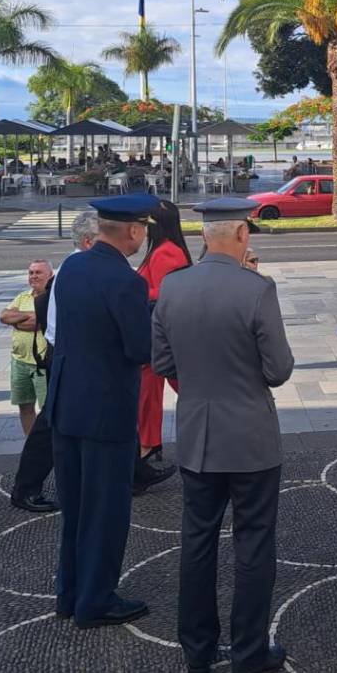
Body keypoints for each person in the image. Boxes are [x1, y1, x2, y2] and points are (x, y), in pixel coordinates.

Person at [152, 201, 295, 673]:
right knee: (254, 544)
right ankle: (248, 654)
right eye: (248, 232)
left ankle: (196, 651)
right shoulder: (256, 289)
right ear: (238, 232)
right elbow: (279, 369)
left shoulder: (173, 286)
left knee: (197, 542)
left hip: (196, 433)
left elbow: (162, 360)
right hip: (250, 436)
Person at [46, 194, 157, 629]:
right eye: (143, 229)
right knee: (106, 509)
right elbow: (139, 348)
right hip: (106, 409)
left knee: (74, 506)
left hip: (66, 402)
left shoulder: (74, 265)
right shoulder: (125, 281)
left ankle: (69, 593)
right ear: (132, 232)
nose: (144, 235)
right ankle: (96, 600)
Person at [12, 212, 100, 515]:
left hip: (68, 353)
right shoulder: (76, 270)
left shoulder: (78, 266)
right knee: (50, 425)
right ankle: (26, 488)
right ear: (89, 242)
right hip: (68, 356)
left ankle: (131, 473)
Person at [134, 197, 192, 492]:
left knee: (164, 391)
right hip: (161, 337)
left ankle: (147, 448)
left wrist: (135, 285)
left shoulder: (165, 252)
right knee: (155, 392)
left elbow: (167, 292)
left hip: (161, 337)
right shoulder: (164, 249)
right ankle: (147, 446)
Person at [2, 260, 52, 436]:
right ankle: (30, 444)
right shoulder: (23, 297)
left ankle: (49, 448)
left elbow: (39, 322)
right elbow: (4, 316)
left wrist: (18, 320)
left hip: (42, 364)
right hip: (19, 362)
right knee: (25, 406)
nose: (33, 276)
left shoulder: (52, 299)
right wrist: (29, 317)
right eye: (31, 273)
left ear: (50, 276)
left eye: (38, 272)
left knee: (47, 410)